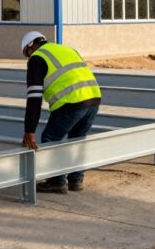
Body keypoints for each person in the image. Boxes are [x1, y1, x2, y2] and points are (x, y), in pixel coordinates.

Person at [20, 31, 103, 194]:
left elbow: (34, 98)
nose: (28, 57)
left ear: (31, 46)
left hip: (71, 102)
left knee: (51, 139)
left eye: (27, 54)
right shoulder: (68, 49)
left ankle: (57, 181)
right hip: (93, 98)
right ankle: (76, 180)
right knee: (77, 140)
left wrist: (29, 130)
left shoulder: (37, 58)